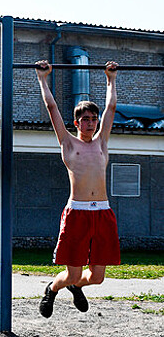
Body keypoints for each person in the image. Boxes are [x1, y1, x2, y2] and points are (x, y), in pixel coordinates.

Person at [35, 60, 121, 318]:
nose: (91, 123)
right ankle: (53, 288)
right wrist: (43, 79)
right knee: (72, 271)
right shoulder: (68, 143)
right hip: (78, 213)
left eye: (94, 119)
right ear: (76, 122)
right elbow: (51, 108)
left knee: (97, 277)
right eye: (85, 119)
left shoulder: (102, 143)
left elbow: (111, 107)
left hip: (103, 213)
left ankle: (74, 286)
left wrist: (111, 79)